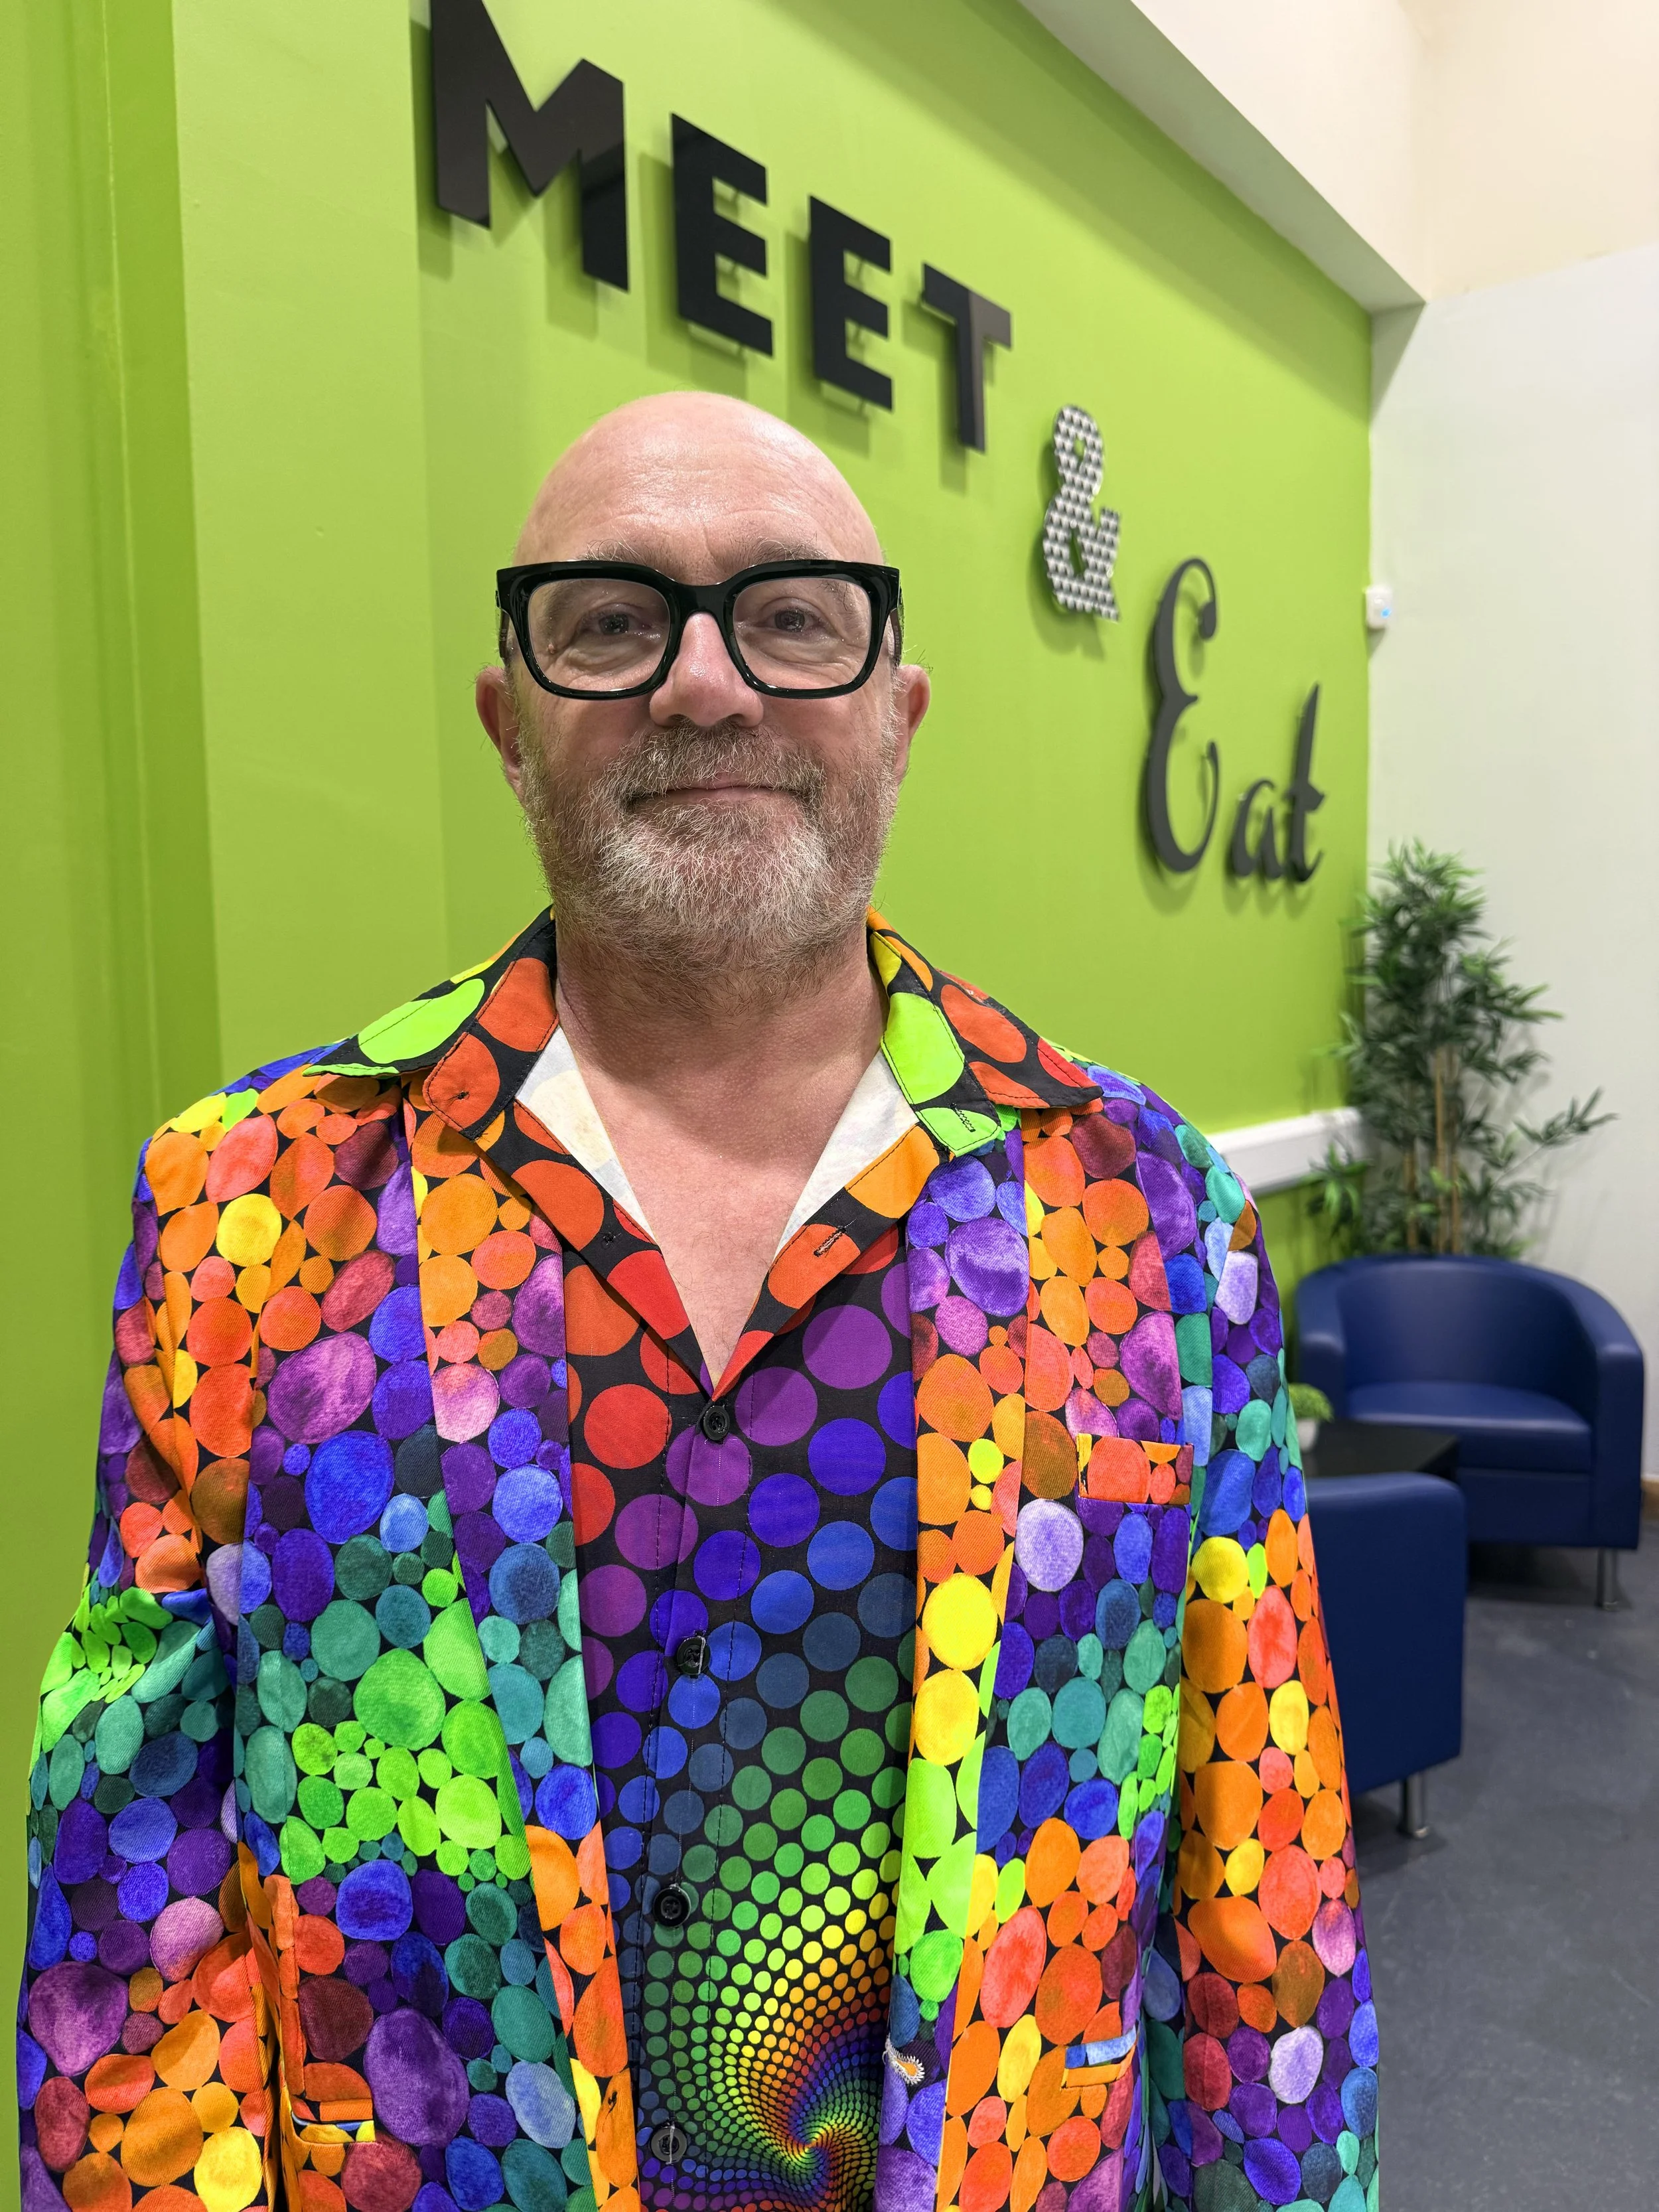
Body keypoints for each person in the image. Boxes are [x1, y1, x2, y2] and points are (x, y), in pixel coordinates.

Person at [17, 394, 1379, 2212]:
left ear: (898, 705)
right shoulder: (252, 1209)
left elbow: (1259, 1871)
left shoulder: (1135, 1210)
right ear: (512, 723)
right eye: (609, 619)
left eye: (792, 614)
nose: (705, 683)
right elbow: (137, 1893)